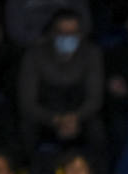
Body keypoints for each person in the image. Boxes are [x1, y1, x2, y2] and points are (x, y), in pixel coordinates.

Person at [16, 8, 104, 154]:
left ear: (81, 34)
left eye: (72, 33)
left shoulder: (92, 53)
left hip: (79, 111)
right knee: (26, 127)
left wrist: (75, 117)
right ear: (52, 33)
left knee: (97, 129)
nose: (67, 37)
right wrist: (55, 120)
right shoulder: (34, 55)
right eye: (62, 32)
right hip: (46, 112)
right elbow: (27, 102)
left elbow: (95, 98)